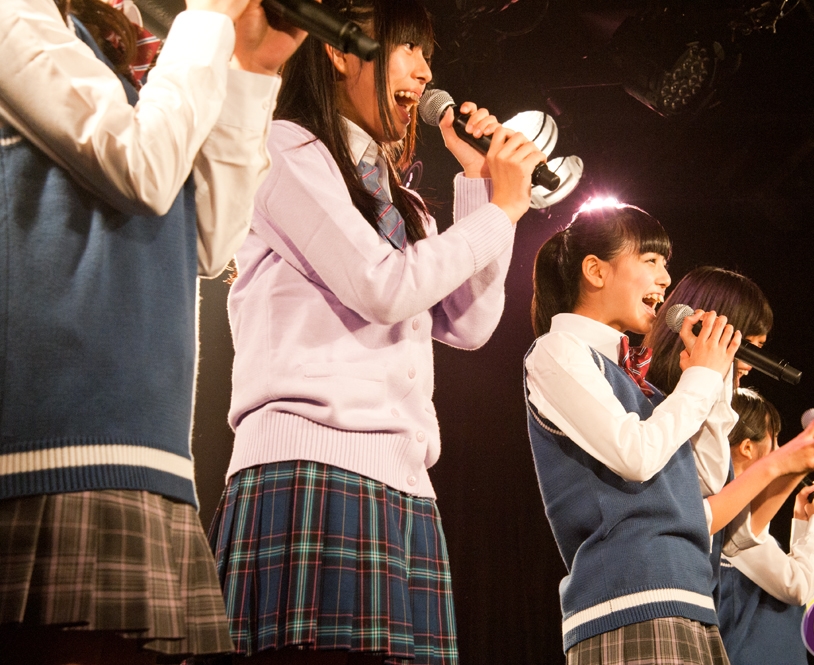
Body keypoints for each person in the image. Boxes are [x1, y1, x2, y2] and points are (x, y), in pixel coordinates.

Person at [207, 1, 546, 663]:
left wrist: (480, 186)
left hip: (403, 484)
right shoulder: (284, 150)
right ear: (340, 52)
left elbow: (470, 323)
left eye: (428, 56)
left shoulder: (402, 197)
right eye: (408, 48)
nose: (425, 72)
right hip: (309, 469)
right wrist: (505, 209)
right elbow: (385, 287)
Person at [0, 1, 304, 663]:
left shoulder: (100, 47)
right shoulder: (12, 17)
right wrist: (210, 19)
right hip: (57, 455)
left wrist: (252, 69)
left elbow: (209, 237)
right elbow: (142, 167)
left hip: (150, 455)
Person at [523, 200, 814, 664]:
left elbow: (705, 487)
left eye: (665, 264)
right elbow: (635, 456)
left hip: (689, 598)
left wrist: (714, 380)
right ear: (595, 271)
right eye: (651, 260)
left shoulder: (644, 385)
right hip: (629, 599)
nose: (665, 279)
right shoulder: (557, 350)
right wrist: (699, 379)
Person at [718, 388, 814, 665]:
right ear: (747, 447)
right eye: (774, 440)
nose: (780, 451)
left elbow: (803, 607)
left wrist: (802, 525)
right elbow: (797, 587)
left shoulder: (747, 526)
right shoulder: (726, 518)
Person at [644, 266, 773, 392]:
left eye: (759, 346)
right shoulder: (640, 399)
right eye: (744, 344)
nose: (748, 365)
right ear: (698, 329)